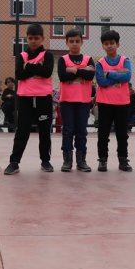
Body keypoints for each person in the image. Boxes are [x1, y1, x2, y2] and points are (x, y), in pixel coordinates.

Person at [4, 23, 54, 175]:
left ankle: (45, 161)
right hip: (25, 98)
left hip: (43, 98)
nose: (33, 41)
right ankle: (14, 162)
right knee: (22, 130)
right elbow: (19, 75)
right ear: (27, 38)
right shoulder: (21, 56)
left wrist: (29, 68)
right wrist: (35, 69)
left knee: (44, 130)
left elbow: (47, 72)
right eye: (30, 38)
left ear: (42, 38)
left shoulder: (48, 56)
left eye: (36, 38)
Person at [95, 30, 132, 172]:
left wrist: (110, 73)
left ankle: (123, 160)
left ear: (118, 44)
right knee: (103, 133)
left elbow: (127, 77)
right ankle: (102, 160)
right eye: (106, 44)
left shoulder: (125, 60)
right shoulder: (100, 63)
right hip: (105, 103)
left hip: (122, 103)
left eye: (112, 43)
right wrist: (118, 76)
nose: (109, 46)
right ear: (103, 46)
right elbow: (101, 81)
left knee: (122, 134)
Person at [57, 29, 95, 172]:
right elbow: (62, 76)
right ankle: (67, 161)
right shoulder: (63, 59)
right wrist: (82, 71)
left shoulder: (88, 58)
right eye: (71, 41)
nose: (74, 44)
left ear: (81, 42)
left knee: (81, 131)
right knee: (68, 130)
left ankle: (81, 161)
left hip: (84, 101)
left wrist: (73, 70)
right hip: (67, 100)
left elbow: (91, 76)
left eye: (77, 41)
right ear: (67, 42)